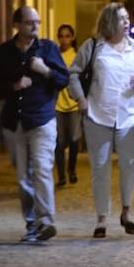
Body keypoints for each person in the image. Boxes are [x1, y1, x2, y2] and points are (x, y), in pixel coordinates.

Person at [68, 3, 134, 238]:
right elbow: (73, 73)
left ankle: (126, 212)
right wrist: (81, 101)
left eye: (127, 18)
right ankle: (101, 218)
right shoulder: (94, 46)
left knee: (129, 165)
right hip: (98, 114)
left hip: (129, 116)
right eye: (121, 19)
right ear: (108, 22)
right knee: (100, 167)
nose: (126, 23)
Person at [0, 6, 68, 244]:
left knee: (42, 168)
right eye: (29, 22)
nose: (34, 26)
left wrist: (46, 71)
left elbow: (63, 78)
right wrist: (13, 86)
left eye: (37, 21)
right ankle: (31, 223)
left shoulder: (48, 49)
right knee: (23, 176)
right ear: (17, 25)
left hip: (42, 118)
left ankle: (46, 221)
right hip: (15, 121)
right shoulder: (4, 52)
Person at [54, 23, 80, 187]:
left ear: (72, 38)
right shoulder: (54, 55)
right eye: (61, 36)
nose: (64, 39)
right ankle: (61, 175)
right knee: (59, 142)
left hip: (74, 104)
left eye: (67, 36)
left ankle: (72, 169)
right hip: (57, 104)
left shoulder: (77, 57)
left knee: (74, 140)